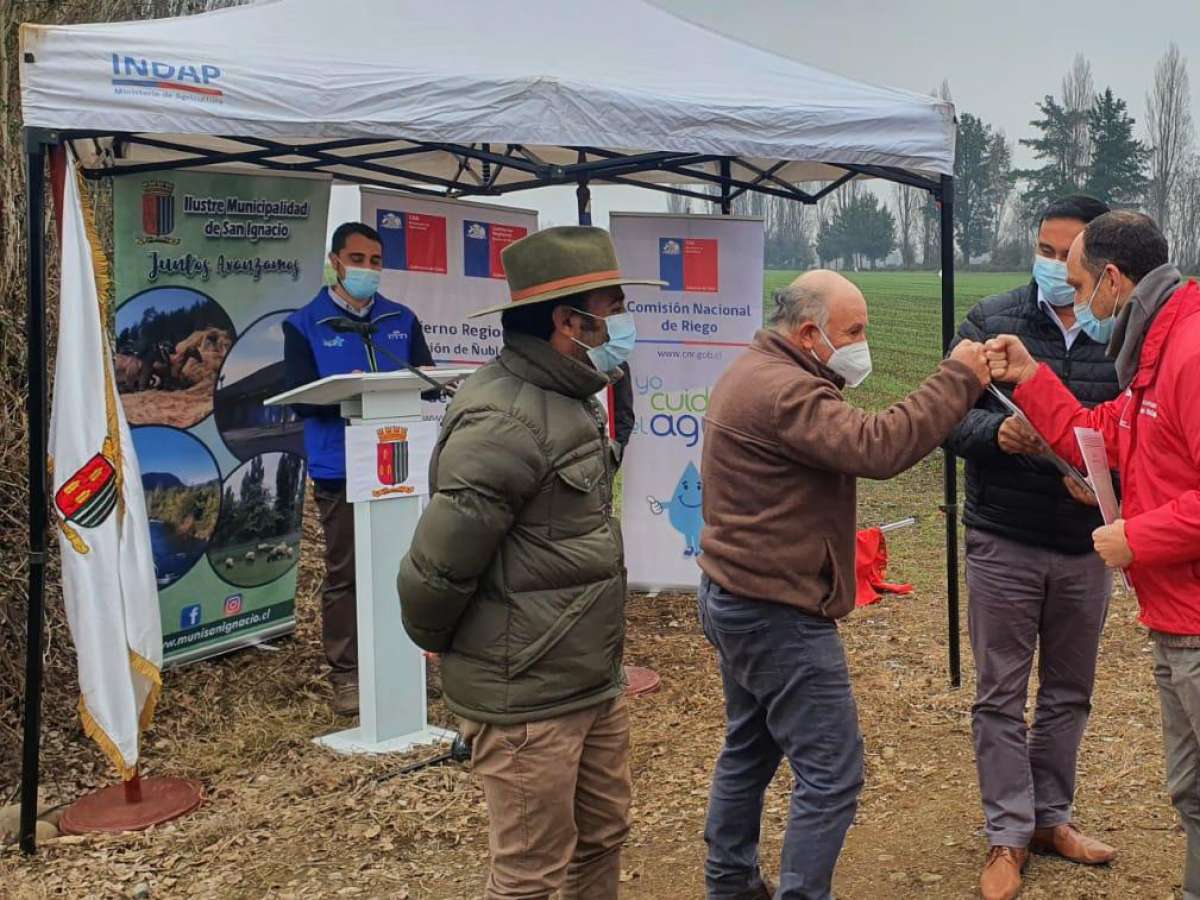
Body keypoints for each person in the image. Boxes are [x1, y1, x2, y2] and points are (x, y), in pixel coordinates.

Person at [697, 270, 992, 900]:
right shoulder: (785, 392)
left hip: (737, 594)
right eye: (853, 331)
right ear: (808, 333)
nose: (863, 344)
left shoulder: (755, 369)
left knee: (750, 746)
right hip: (777, 612)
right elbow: (879, 446)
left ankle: (729, 882)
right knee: (831, 772)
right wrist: (959, 377)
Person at [397, 226, 658, 899]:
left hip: (588, 680)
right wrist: (445, 645)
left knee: (601, 837)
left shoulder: (570, 396)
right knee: (529, 876)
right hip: (526, 698)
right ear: (569, 323)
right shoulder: (503, 421)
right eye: (614, 308)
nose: (624, 324)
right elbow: (434, 570)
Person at [987, 210, 1200, 900]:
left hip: (1194, 612)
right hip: (1174, 612)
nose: (1075, 300)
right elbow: (1105, 429)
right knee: (1191, 791)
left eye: (1080, 285)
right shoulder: (1156, 348)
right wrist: (1030, 378)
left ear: (1113, 279)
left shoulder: (1191, 353)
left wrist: (1137, 535)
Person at [947, 195, 1118, 900]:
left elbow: (1142, 428)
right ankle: (1007, 833)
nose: (1053, 266)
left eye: (1067, 255)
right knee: (1000, 693)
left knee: (1069, 693)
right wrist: (996, 435)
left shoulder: (1119, 334)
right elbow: (944, 418)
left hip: (1086, 545)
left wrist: (1116, 484)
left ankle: (1052, 817)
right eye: (1043, 250)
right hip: (1005, 539)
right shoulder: (993, 322)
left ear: (1100, 264)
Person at [283, 221, 433, 715]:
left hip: (398, 463)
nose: (367, 269)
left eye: (375, 261)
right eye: (357, 259)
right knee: (346, 571)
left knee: (405, 566)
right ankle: (347, 672)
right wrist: (354, 392)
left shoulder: (401, 319)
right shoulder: (305, 323)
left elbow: (425, 381)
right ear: (335, 261)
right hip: (340, 465)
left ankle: (409, 658)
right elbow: (302, 401)